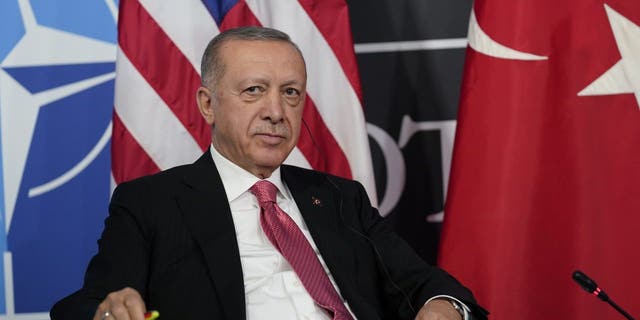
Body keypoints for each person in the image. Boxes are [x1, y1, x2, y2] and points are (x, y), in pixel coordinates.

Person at [51, 26, 488, 320]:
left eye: (291, 93)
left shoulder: (340, 198)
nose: (276, 112)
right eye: (254, 91)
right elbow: (90, 303)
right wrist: (106, 310)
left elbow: (425, 283)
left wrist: (442, 304)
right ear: (208, 104)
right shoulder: (152, 202)